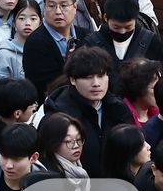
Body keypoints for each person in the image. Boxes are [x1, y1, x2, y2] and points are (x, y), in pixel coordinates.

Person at [43, 46, 135, 176]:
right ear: (73, 80)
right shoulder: (58, 115)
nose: (96, 83)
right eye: (88, 77)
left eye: (101, 76)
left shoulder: (118, 109)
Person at [82, 0, 163, 75]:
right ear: (105, 18)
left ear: (136, 19)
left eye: (128, 27)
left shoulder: (151, 42)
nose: (122, 32)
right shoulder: (91, 44)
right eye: (116, 27)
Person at [0, 0, 41, 80]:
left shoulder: (44, 51)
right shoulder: (4, 55)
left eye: (33, 19)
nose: (27, 23)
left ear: (40, 23)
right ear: (14, 23)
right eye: (22, 18)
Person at [117, 57, 162, 126]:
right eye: (155, 87)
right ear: (139, 87)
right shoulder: (119, 116)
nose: (159, 91)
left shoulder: (159, 115)